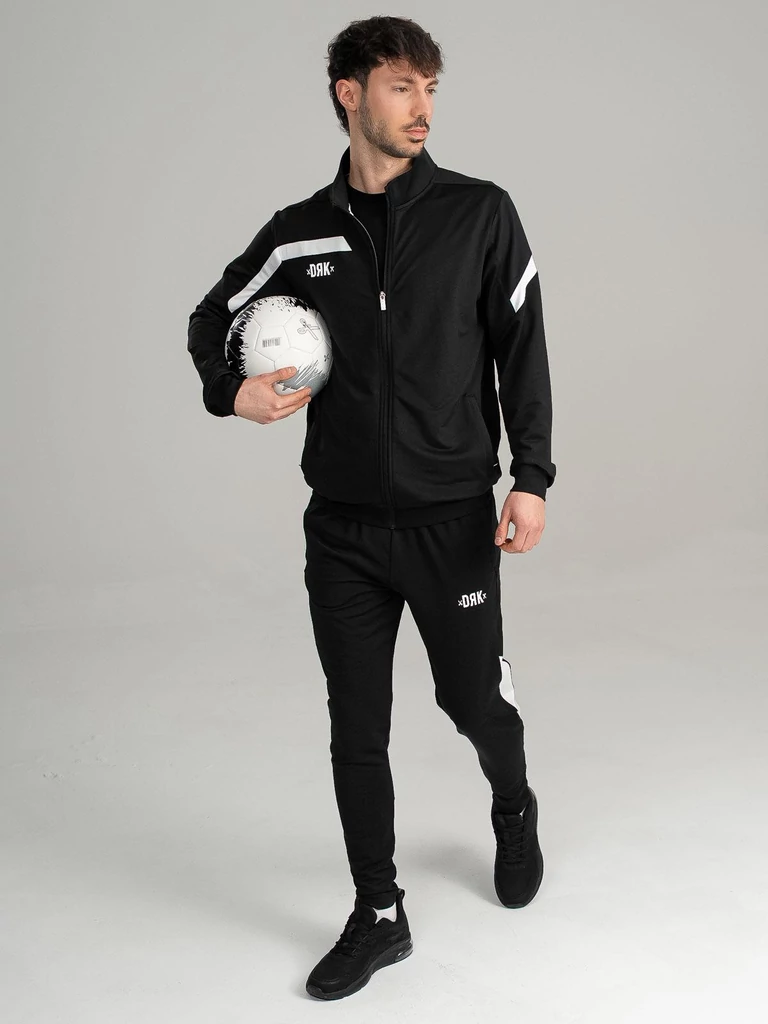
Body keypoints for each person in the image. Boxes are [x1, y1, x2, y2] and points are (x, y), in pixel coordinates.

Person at [187, 14, 556, 1002]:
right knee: (357, 728)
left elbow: (523, 350)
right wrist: (231, 390)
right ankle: (379, 913)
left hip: (451, 521)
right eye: (402, 86)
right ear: (350, 95)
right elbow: (212, 317)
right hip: (344, 529)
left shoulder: (481, 213)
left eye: (430, 87)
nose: (422, 106)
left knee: (473, 704)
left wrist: (531, 477)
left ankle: (514, 804)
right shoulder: (300, 232)